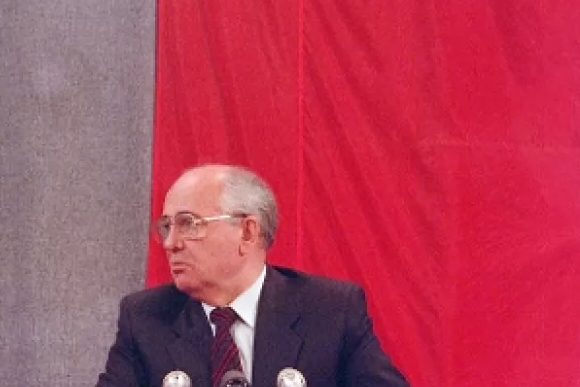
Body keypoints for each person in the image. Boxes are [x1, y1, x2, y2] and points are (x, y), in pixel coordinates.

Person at [97, 164, 408, 387]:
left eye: (188, 224)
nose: (170, 243)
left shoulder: (328, 311)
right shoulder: (146, 318)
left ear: (247, 232)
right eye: (167, 226)